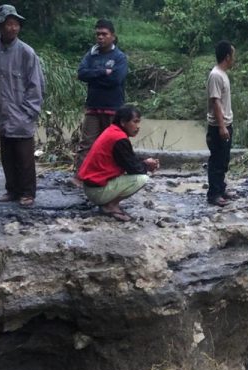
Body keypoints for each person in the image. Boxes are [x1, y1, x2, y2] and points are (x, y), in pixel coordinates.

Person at [0, 4, 44, 208]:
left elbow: (36, 85)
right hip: (2, 112)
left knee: (24, 156)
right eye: (9, 24)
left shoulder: (26, 52)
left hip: (22, 113)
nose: (13, 28)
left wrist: (29, 111)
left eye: (16, 24)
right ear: (0, 26)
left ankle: (27, 192)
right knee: (7, 154)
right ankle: (12, 190)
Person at [78, 105, 159, 222]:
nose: (138, 127)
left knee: (138, 173)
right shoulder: (119, 138)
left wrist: (145, 162)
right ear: (123, 122)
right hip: (96, 192)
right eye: (135, 122)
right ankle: (109, 206)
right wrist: (147, 165)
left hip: (90, 187)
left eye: (138, 122)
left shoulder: (112, 131)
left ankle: (107, 203)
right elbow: (134, 169)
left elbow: (128, 159)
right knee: (142, 179)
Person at [74, 19, 128, 176]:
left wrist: (94, 77)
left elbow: (116, 80)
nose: (100, 37)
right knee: (87, 144)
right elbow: (81, 74)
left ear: (113, 36)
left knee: (112, 144)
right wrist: (103, 72)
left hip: (113, 109)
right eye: (98, 34)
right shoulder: (91, 55)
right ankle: (81, 176)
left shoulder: (119, 57)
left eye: (104, 34)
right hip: (93, 107)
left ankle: (111, 175)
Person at [205, 40, 236, 207]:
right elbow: (215, 102)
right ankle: (214, 194)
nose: (234, 59)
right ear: (227, 57)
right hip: (218, 127)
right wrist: (222, 126)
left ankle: (221, 188)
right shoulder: (216, 75)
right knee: (217, 161)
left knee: (223, 160)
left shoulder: (222, 74)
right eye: (233, 55)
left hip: (225, 124)